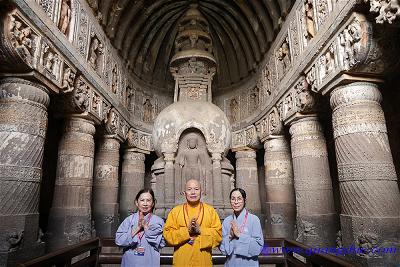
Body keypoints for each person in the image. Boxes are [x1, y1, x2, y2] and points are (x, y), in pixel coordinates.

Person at [163, 179, 222, 266]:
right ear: (184, 192)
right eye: (189, 189)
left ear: (201, 192)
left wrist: (200, 230)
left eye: (196, 189)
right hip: (182, 261)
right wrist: (186, 231)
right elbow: (167, 235)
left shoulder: (210, 211)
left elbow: (218, 235)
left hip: (203, 261)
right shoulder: (175, 211)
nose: (193, 192)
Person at [115, 188, 165, 267]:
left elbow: (162, 243)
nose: (145, 204)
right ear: (136, 202)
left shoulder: (158, 221)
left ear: (153, 203)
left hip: (149, 261)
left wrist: (146, 227)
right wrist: (137, 228)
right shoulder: (129, 220)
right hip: (130, 260)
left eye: (148, 200)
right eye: (142, 200)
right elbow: (119, 241)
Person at [219, 188, 264, 266]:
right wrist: (230, 236)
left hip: (249, 264)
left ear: (244, 200)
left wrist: (239, 235)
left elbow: (258, 248)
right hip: (231, 263)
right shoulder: (227, 221)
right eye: (233, 199)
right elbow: (223, 249)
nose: (236, 202)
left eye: (239, 199)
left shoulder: (254, 219)